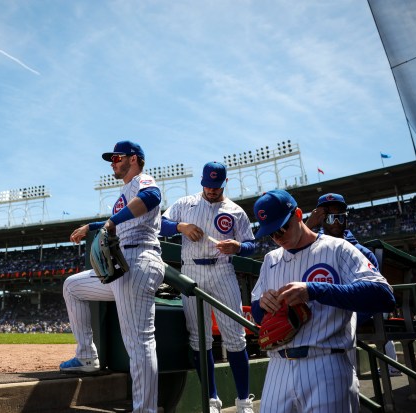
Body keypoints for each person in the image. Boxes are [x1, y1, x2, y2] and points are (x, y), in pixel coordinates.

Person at [250, 189, 395, 413]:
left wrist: (315, 290)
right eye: (271, 233)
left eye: (282, 228)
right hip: (278, 367)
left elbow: (383, 296)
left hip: (326, 363)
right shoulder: (271, 259)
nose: (278, 237)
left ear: (298, 214)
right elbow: (258, 314)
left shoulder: (338, 248)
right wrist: (264, 305)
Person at [61, 141, 165, 413]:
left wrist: (110, 223)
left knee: (139, 342)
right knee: (72, 286)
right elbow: (121, 218)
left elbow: (153, 196)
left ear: (134, 159)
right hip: (125, 265)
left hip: (139, 260)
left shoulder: (143, 179)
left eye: (117, 157)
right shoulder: (126, 190)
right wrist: (92, 226)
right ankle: (86, 356)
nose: (112, 162)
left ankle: (146, 410)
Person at [160, 161, 255, 413]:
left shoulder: (235, 210)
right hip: (191, 269)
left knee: (235, 338)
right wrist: (181, 226)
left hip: (222, 269)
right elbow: (159, 225)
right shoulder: (185, 203)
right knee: (198, 338)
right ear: (202, 182)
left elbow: (251, 245)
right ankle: (211, 399)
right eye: (208, 185)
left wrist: (237, 247)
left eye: (216, 186)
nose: (212, 190)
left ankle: (244, 401)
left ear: (225, 183)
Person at [306, 193, 401, 376]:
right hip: (320, 319)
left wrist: (340, 318)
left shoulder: (362, 252)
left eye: (340, 217)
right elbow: (282, 258)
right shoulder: (310, 249)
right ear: (320, 219)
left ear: (346, 219)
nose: (335, 222)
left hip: (348, 317)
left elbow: (374, 297)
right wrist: (308, 225)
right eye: (330, 217)